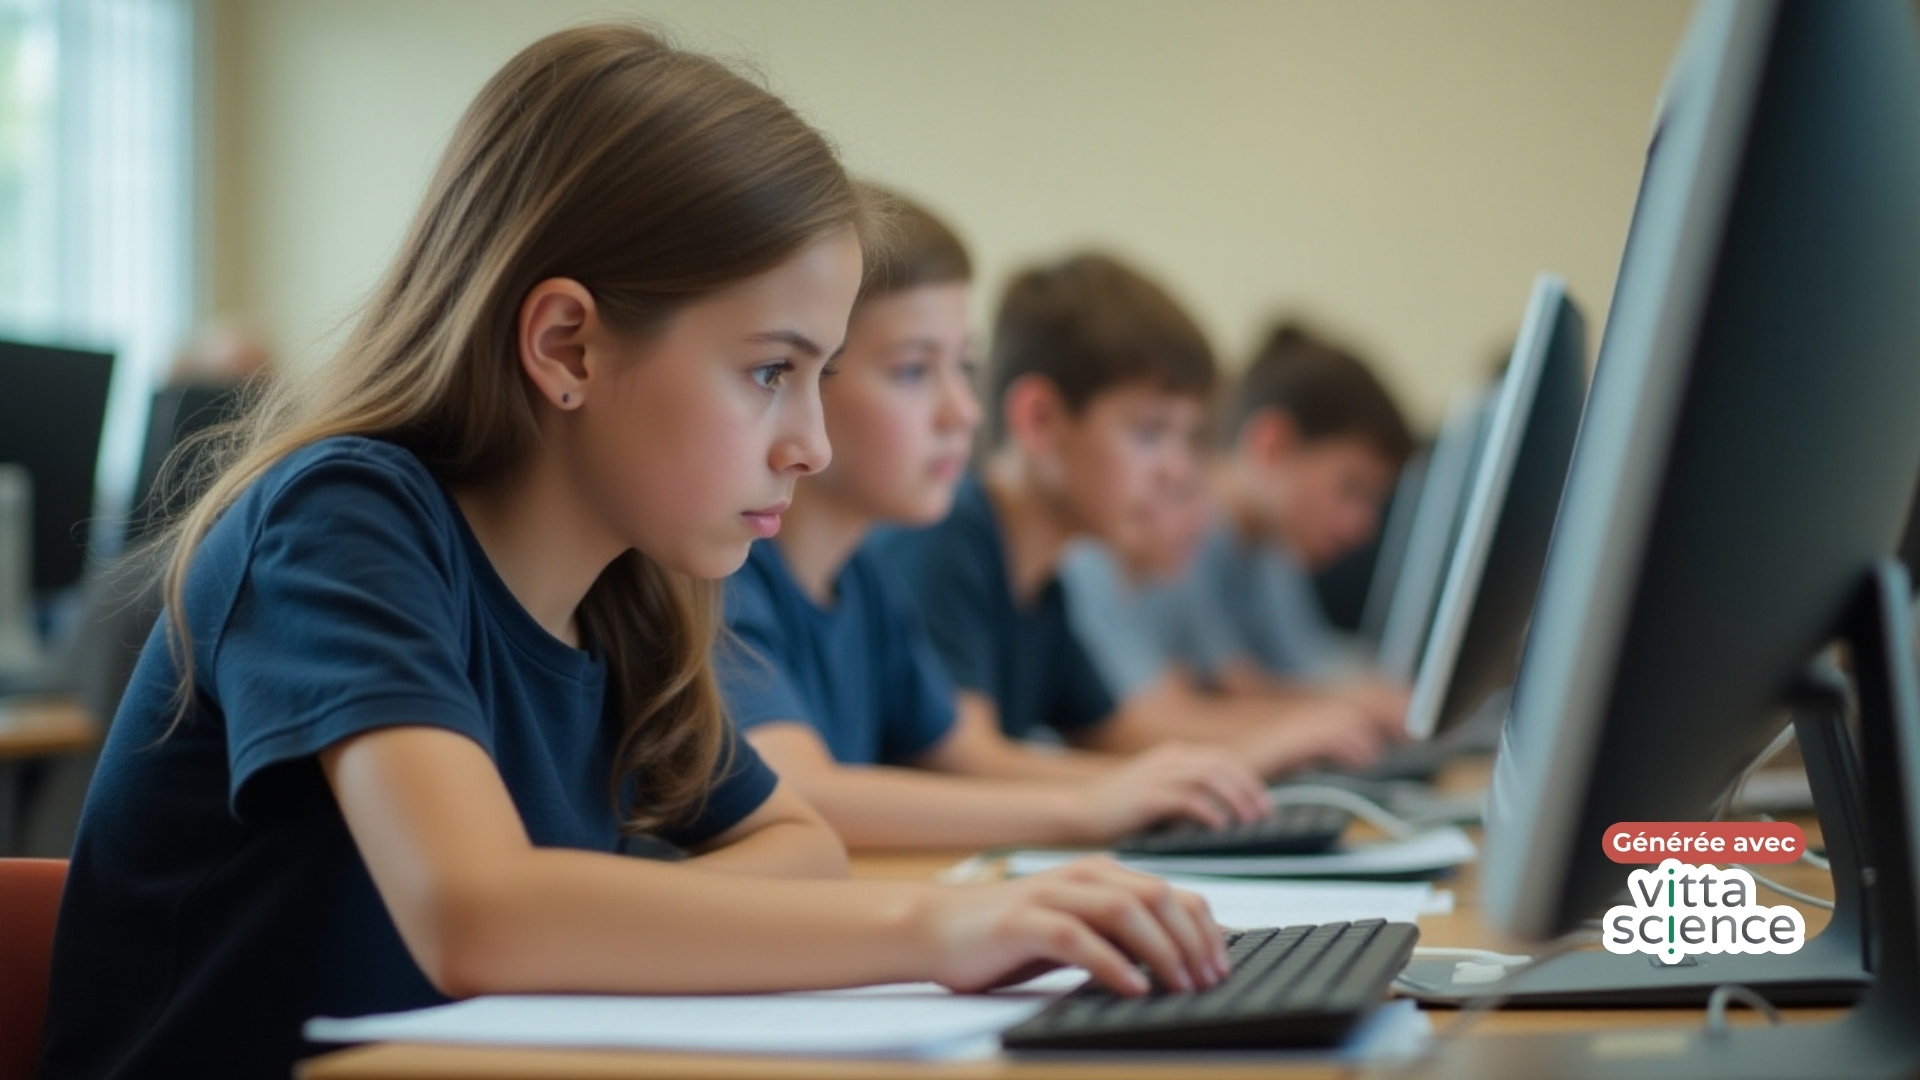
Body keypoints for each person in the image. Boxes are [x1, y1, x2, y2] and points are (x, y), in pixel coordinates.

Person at [37, 28, 1227, 1080]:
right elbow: (479, 914)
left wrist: (606, 921)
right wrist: (941, 930)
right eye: (771, 371)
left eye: (821, 377)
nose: (810, 443)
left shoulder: (627, 598)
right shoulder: (344, 521)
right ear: (566, 346)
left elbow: (799, 845)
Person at [719, 188, 1271, 851]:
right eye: (914, 370)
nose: (963, 412)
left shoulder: (863, 583)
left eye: (965, 369)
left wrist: (1157, 787)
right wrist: (1088, 808)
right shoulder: (730, 575)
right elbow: (794, 793)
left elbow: (967, 757)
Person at [879, 254, 1395, 781]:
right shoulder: (947, 539)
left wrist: (1276, 743)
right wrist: (1160, 783)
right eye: (1149, 432)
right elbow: (969, 762)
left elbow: (1121, 731)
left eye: (1185, 438)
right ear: (1040, 420)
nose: (1176, 472)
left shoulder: (1042, 582)